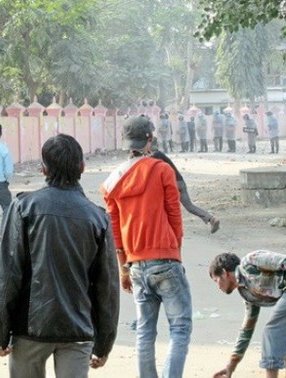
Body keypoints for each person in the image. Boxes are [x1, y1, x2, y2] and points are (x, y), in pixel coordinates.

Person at [0, 134, 119, 378]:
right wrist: (104, 342)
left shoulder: (23, 207)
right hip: (78, 329)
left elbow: (8, 276)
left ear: (43, 169)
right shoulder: (98, 218)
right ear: (82, 167)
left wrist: (1, 330)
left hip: (29, 329)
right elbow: (107, 287)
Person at [101, 115, 192, 378]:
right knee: (180, 326)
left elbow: (114, 230)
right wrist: (175, 254)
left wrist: (124, 269)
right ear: (150, 139)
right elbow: (175, 215)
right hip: (165, 259)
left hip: (136, 265)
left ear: (125, 143)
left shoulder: (112, 182)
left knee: (144, 331)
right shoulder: (162, 169)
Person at [209, 250, 286, 378]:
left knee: (272, 332)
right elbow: (246, 330)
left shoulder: (251, 260)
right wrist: (231, 366)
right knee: (281, 331)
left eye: (216, 281)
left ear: (224, 273)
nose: (218, 287)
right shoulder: (246, 293)